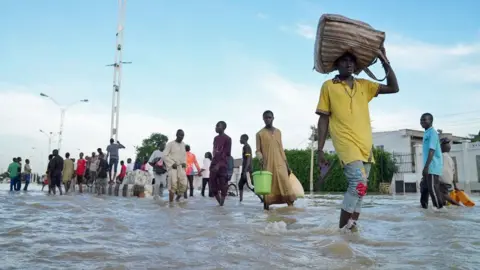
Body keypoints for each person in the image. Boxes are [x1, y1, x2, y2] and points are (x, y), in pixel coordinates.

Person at [316, 49, 399, 230]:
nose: (349, 64)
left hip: (365, 144)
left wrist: (385, 61)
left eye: (352, 61)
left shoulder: (364, 85)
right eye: (344, 61)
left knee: (362, 189)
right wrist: (320, 149)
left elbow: (394, 87)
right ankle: (342, 232)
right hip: (346, 143)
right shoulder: (329, 86)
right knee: (358, 183)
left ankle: (351, 228)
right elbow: (323, 118)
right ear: (336, 65)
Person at [256, 111, 295, 210]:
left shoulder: (278, 132)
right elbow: (258, 150)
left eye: (269, 117)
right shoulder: (260, 134)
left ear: (273, 118)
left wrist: (287, 165)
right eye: (265, 118)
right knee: (268, 187)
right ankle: (266, 213)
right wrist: (260, 158)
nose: (267, 119)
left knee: (285, 183)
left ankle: (291, 210)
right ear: (263, 119)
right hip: (267, 164)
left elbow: (281, 149)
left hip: (280, 163)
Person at [419, 113, 444, 209]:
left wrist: (426, 167)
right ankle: (423, 209)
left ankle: (439, 209)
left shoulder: (432, 133)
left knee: (433, 188)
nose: (422, 122)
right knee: (424, 188)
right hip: (428, 166)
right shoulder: (426, 133)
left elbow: (432, 150)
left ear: (431, 121)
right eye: (421, 120)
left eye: (424, 120)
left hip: (432, 166)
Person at [209, 121, 232, 206]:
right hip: (214, 164)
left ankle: (222, 204)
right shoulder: (215, 138)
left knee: (223, 186)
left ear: (223, 127)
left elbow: (227, 154)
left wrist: (219, 165)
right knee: (212, 187)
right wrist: (213, 164)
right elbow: (214, 151)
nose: (216, 128)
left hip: (222, 165)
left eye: (218, 126)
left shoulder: (228, 139)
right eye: (216, 126)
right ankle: (220, 205)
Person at [163, 129, 188, 202]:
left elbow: (184, 156)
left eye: (183, 135)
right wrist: (171, 163)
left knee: (184, 185)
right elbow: (164, 155)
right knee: (173, 186)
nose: (182, 137)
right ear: (176, 135)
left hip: (181, 168)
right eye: (180, 135)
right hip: (172, 167)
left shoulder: (183, 144)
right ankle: (171, 204)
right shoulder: (170, 144)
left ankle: (177, 200)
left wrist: (184, 163)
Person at [238, 134, 263, 202]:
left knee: (250, 186)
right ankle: (240, 200)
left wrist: (245, 170)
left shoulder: (247, 147)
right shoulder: (244, 147)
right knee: (240, 184)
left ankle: (262, 198)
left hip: (247, 170)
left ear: (244, 139)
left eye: (241, 138)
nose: (240, 140)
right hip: (244, 170)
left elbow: (248, 159)